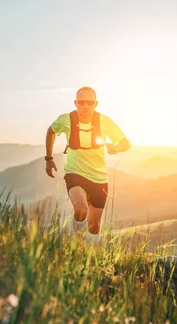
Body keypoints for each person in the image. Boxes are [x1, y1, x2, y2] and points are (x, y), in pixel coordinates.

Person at [45, 86, 131, 242]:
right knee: (81, 209)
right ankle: (74, 242)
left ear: (95, 104)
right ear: (75, 103)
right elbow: (51, 131)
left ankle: (89, 254)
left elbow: (126, 143)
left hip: (99, 178)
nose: (85, 106)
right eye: (81, 102)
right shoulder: (66, 119)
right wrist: (49, 159)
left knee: (94, 227)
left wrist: (116, 148)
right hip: (75, 173)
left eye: (89, 102)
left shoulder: (104, 121)